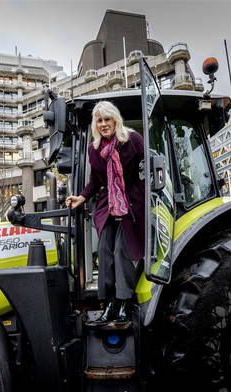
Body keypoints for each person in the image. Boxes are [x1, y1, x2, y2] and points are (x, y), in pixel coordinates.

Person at [66, 101, 144, 327]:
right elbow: (95, 181)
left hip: (131, 203)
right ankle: (109, 302)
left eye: (107, 119)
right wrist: (81, 197)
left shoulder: (132, 140)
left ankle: (124, 303)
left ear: (115, 120)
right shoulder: (94, 148)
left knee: (122, 250)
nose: (103, 124)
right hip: (108, 204)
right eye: (99, 120)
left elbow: (145, 168)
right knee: (104, 251)